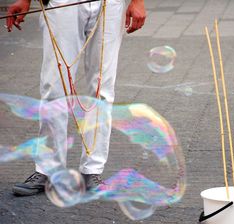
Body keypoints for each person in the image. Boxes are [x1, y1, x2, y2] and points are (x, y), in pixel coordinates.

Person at [5, 0, 146, 196]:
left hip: (110, 4)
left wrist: (138, 1)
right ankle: (48, 170)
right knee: (53, 88)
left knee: (101, 90)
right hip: (64, 2)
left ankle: (92, 171)